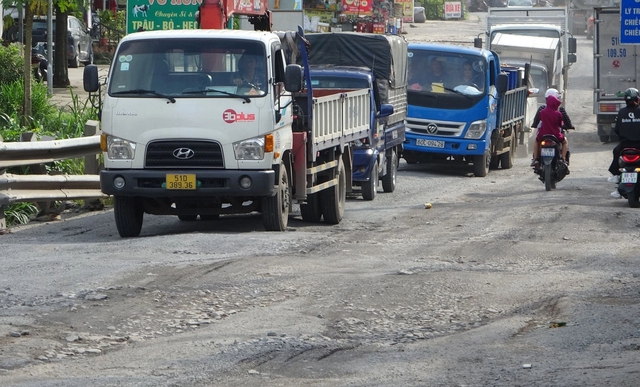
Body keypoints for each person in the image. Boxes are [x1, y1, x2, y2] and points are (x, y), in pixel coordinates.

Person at [607, 87, 640, 198]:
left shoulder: (622, 112)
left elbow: (616, 130)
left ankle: (616, 177)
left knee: (616, 152)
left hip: (625, 146)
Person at [530, 88, 574, 166]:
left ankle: (536, 159)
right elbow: (562, 123)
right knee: (565, 141)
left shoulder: (542, 110)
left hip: (542, 134)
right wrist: (568, 126)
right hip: (556, 135)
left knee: (536, 141)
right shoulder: (559, 112)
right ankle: (563, 158)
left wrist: (534, 125)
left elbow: (536, 121)